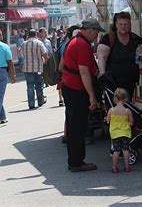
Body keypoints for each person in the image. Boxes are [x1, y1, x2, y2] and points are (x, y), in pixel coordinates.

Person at [62, 19, 105, 172]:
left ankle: (74, 160)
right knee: (78, 127)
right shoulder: (82, 44)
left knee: (74, 126)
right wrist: (92, 96)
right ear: (90, 30)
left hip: (69, 86)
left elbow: (63, 66)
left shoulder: (73, 41)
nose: (96, 35)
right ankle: (77, 162)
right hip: (76, 89)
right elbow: (84, 72)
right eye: (96, 32)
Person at [97, 12, 142, 98]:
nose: (123, 27)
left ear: (130, 24)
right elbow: (102, 57)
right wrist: (102, 74)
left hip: (130, 84)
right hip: (113, 84)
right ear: (116, 24)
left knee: (128, 109)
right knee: (113, 110)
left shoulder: (135, 38)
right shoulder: (109, 38)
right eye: (121, 24)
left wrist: (141, 64)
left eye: (126, 24)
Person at [107, 88, 133, 173]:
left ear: (115, 98)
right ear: (125, 98)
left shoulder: (111, 110)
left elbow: (108, 121)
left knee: (116, 150)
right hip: (125, 133)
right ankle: (127, 166)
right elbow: (131, 122)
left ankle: (114, 167)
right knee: (126, 150)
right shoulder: (127, 111)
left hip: (115, 133)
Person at [21, 29, 48, 109]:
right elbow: (45, 53)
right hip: (38, 68)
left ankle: (31, 104)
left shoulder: (23, 44)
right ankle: (40, 102)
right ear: (36, 35)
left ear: (28, 35)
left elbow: (22, 54)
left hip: (27, 68)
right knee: (39, 86)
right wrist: (46, 63)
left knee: (30, 87)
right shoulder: (39, 43)